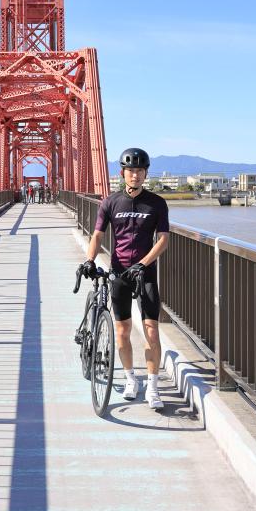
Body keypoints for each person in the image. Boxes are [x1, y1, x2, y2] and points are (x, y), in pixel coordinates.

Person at [82, 147, 169, 408]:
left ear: (145, 174)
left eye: (140, 171)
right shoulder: (110, 202)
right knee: (122, 330)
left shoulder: (156, 203)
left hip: (145, 273)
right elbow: (97, 235)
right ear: (123, 173)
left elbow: (163, 239)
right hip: (119, 272)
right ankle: (132, 379)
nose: (136, 175)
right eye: (131, 171)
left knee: (151, 330)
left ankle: (153, 386)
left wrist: (143, 263)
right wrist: (89, 259)